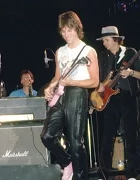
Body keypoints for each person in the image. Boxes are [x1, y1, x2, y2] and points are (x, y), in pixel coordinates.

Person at [40, 11, 99, 180]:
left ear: (77, 28)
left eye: (70, 30)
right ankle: (67, 163)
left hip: (77, 94)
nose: (67, 35)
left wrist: (72, 82)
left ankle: (81, 177)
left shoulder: (88, 51)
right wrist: (50, 86)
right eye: (63, 31)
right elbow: (58, 76)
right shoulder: (60, 51)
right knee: (47, 136)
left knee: (75, 142)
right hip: (61, 94)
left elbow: (94, 81)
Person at [96, 26, 140, 178]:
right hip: (110, 99)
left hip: (128, 96)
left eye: (106, 40)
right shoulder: (102, 56)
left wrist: (131, 72)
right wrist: (99, 86)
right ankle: (104, 172)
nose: (104, 43)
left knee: (131, 134)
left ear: (116, 40)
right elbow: (98, 79)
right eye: (103, 40)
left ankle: (133, 172)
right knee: (108, 134)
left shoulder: (131, 52)